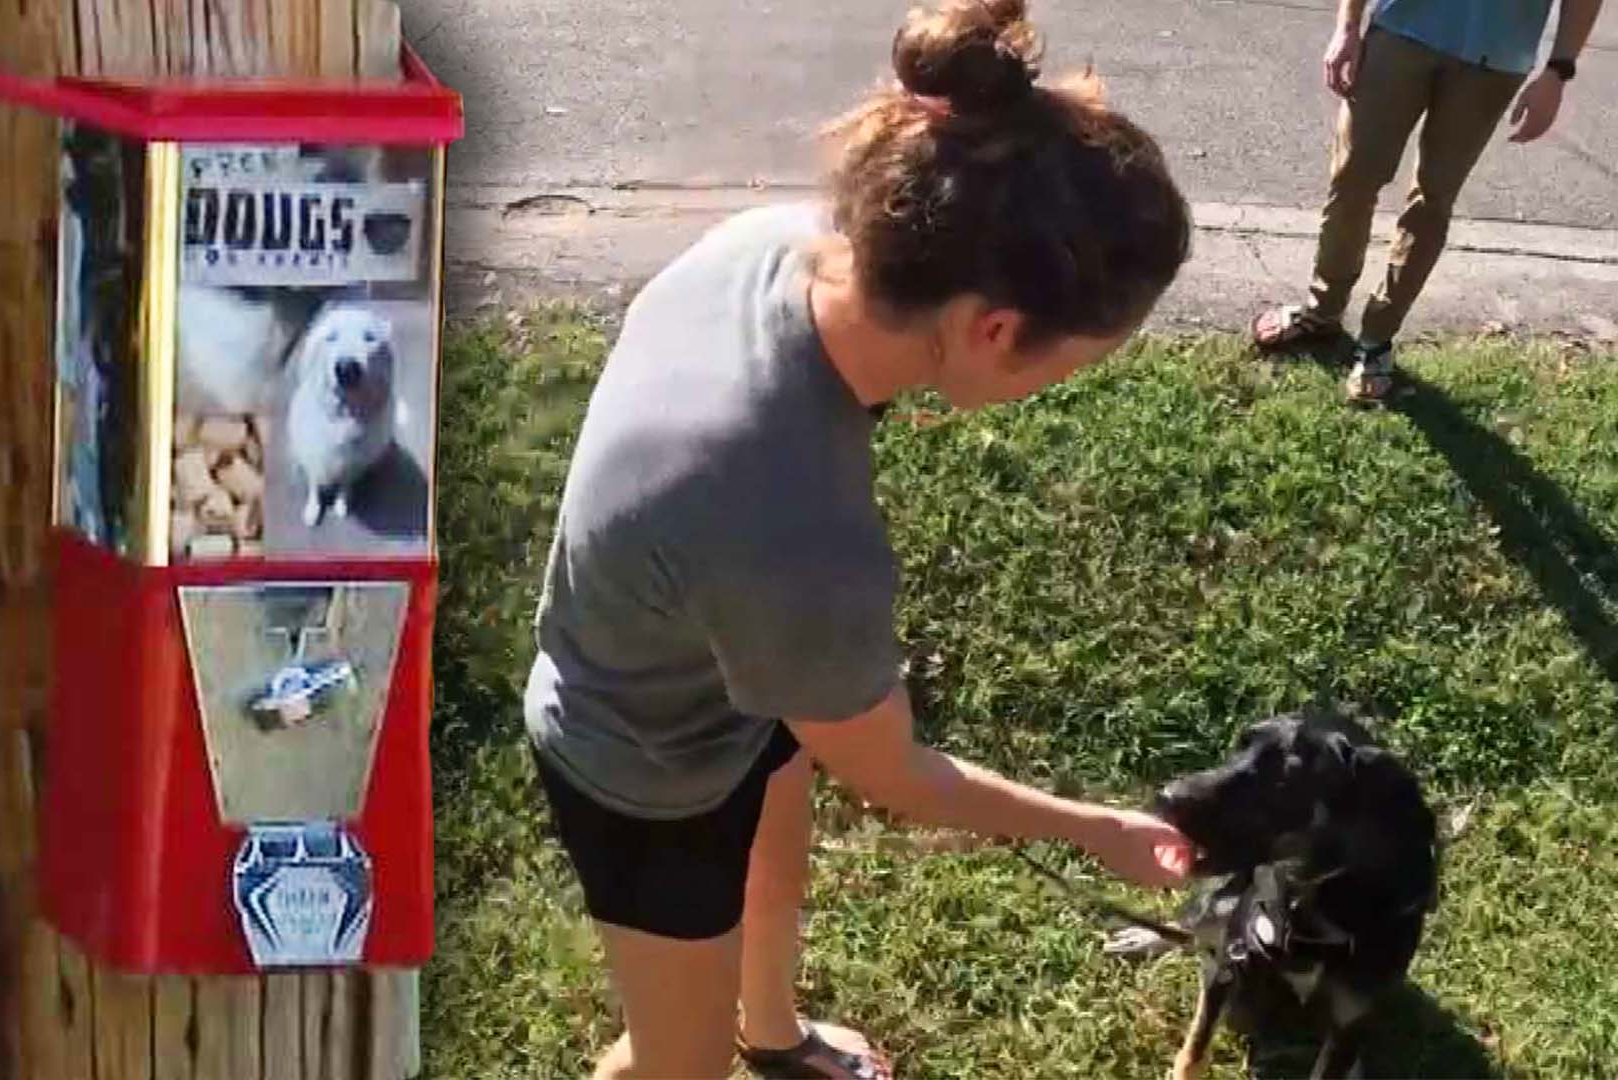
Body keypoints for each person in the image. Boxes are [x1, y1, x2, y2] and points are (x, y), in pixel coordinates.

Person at [521, 2, 1197, 1076]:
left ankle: (773, 1030)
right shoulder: (792, 528)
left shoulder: (782, 248)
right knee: (671, 1064)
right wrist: (1101, 830)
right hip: (642, 764)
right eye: (1079, 362)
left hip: (724, 669)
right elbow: (902, 777)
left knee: (772, 862)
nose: (1065, 386)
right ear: (995, 330)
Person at [1250, 0, 1605, 402]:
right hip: (1402, 29)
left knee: (1432, 200)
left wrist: (1558, 72)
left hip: (1493, 59)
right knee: (1354, 178)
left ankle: (1376, 340)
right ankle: (1321, 309)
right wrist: (1348, 25)